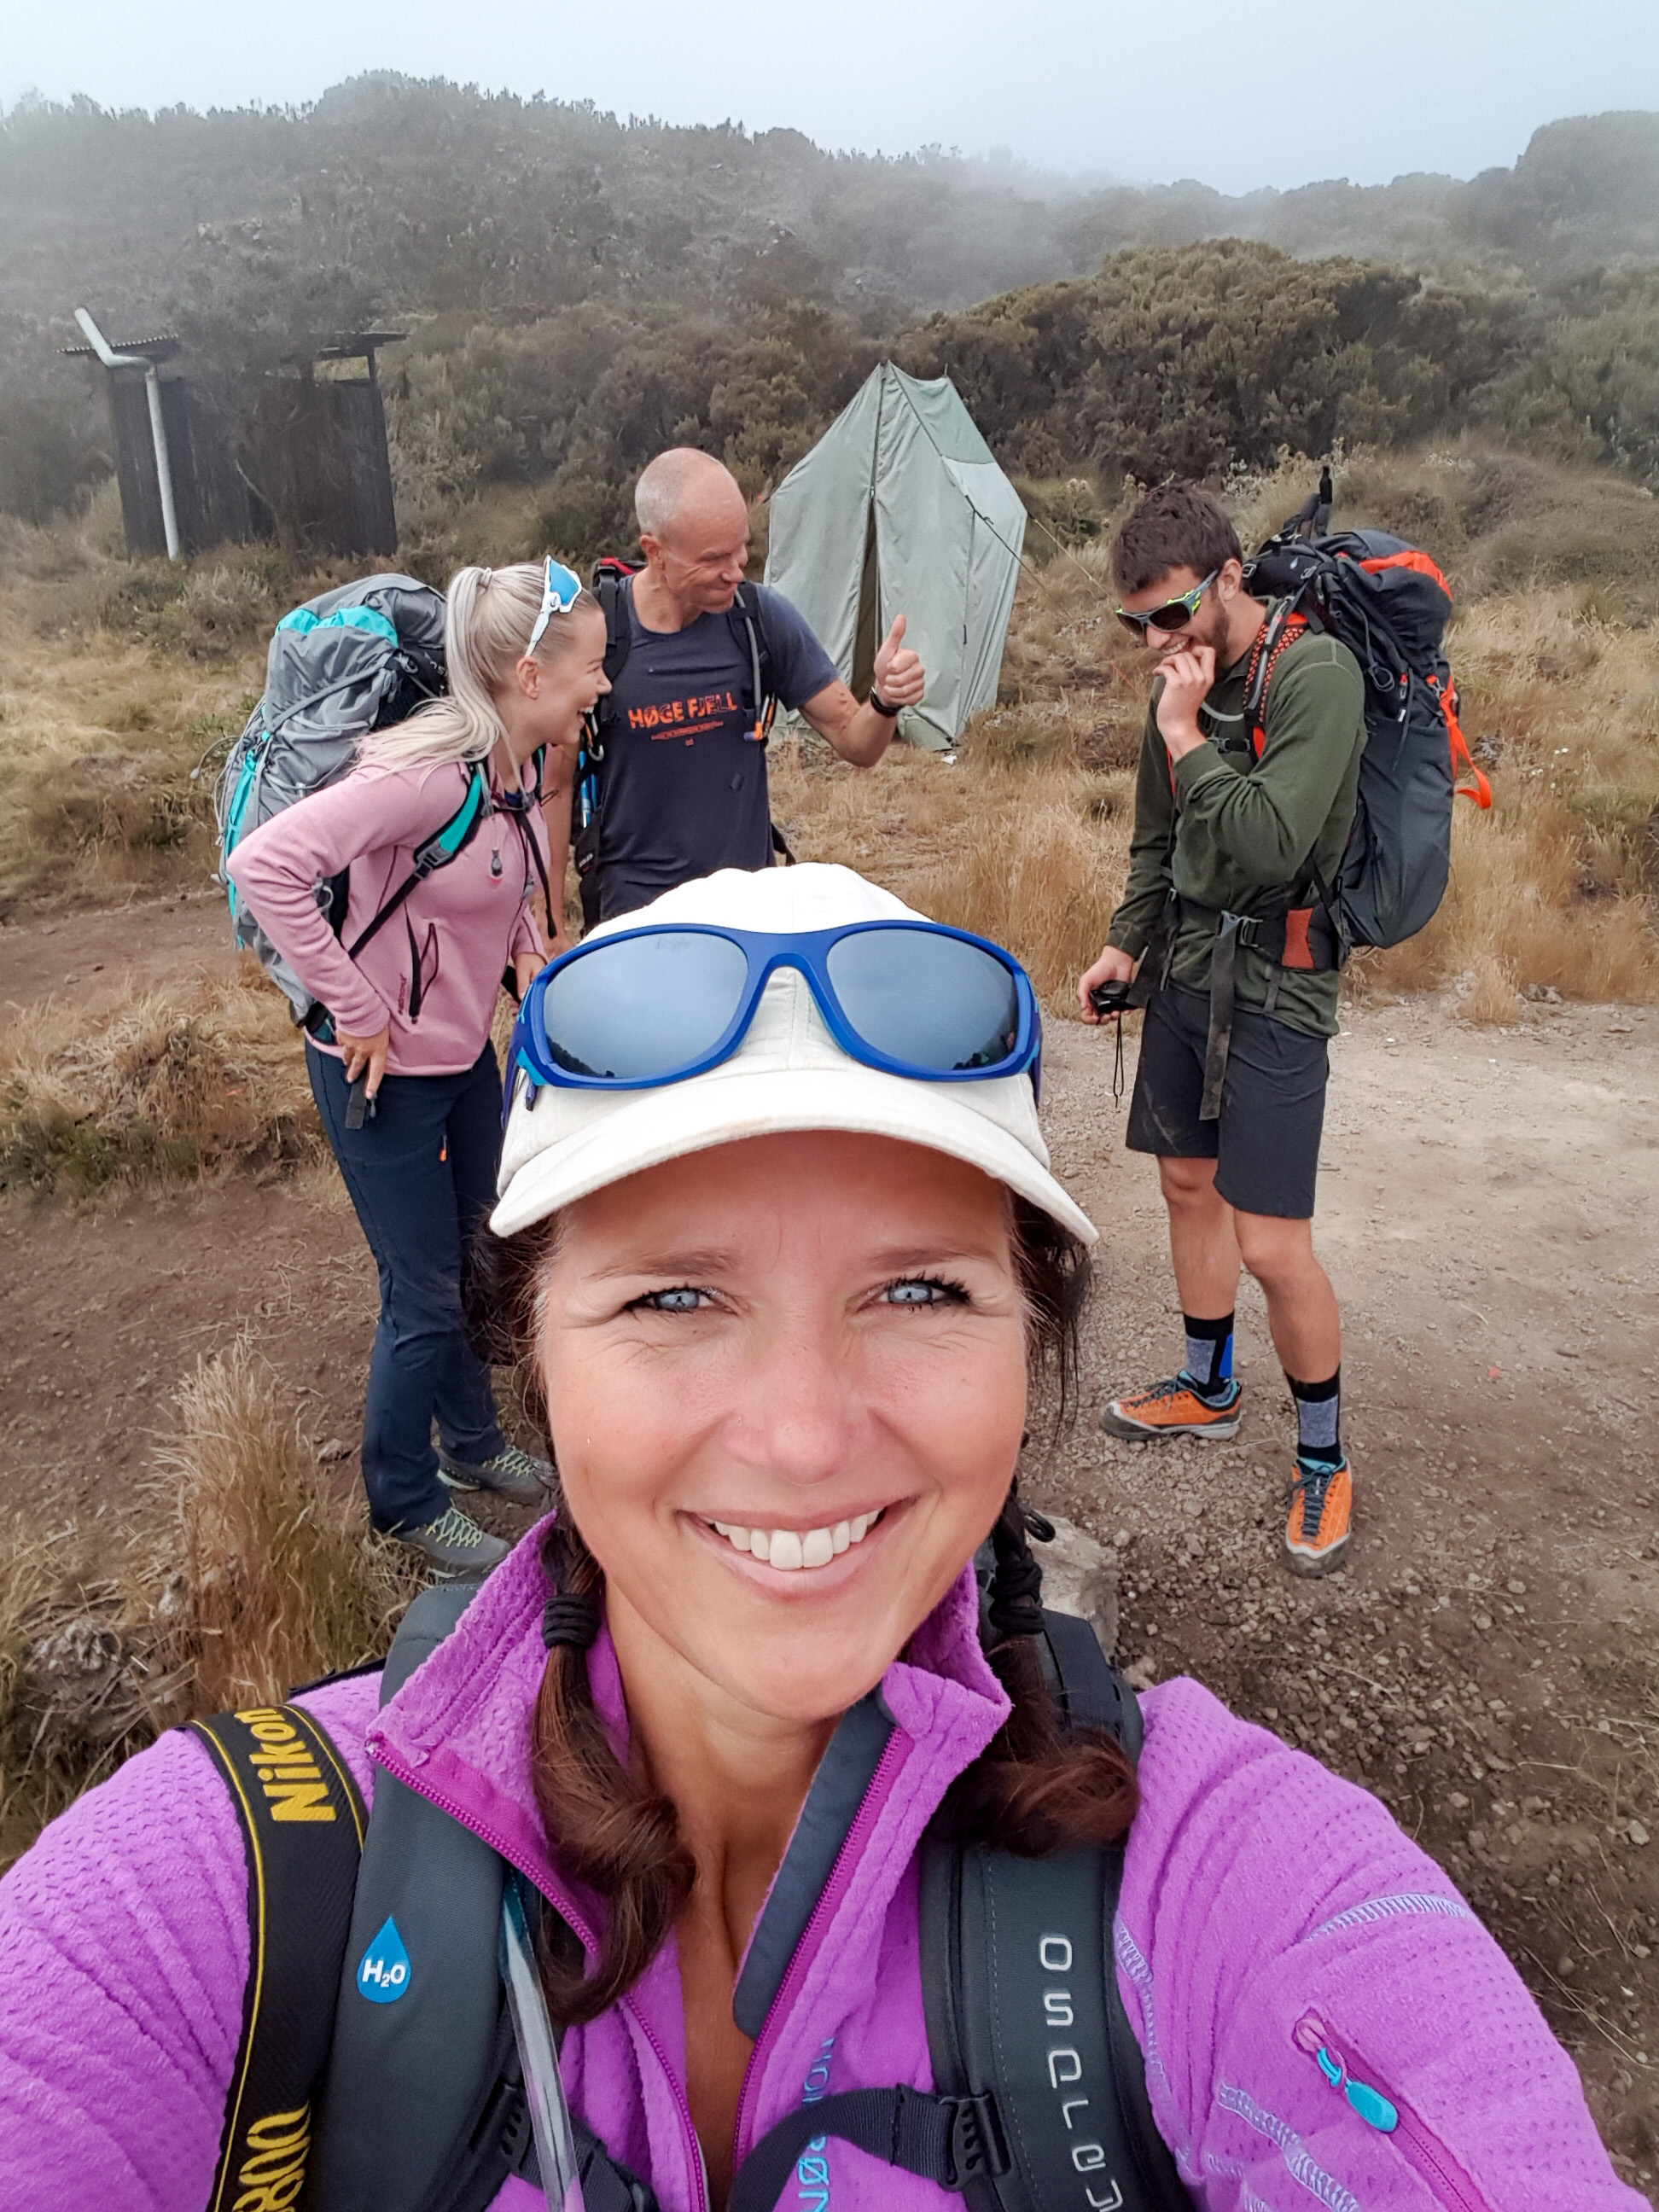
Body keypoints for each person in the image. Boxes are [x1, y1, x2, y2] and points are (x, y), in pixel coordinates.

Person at [0, 861, 1639, 2212]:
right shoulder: (236, 1897)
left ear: (1029, 1347)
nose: (797, 1434)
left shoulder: (1234, 1890)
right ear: (531, 1354)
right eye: (672, 1297)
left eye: (917, 1288)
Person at [229, 558, 608, 1575]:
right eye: (591, 667)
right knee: (423, 1290)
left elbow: (500, 875)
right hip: (378, 1076)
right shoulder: (426, 774)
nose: (604, 684)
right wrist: (355, 1007)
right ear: (530, 677)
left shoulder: (511, 769)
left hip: (459, 1058)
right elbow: (265, 867)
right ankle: (402, 1497)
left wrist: (525, 949)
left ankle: (472, 1443)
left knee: (477, 1259)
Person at [1079, 485, 1365, 1577]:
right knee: (1186, 1185)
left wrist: (1184, 731)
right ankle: (1208, 1387)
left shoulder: (1316, 675)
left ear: (1229, 577)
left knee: (1272, 1244)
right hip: (1190, 967)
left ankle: (1325, 1459)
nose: (1159, 640)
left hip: (1283, 981)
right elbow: (1158, 844)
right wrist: (1125, 946)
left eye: (1172, 612)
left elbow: (1271, 840)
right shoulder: (1181, 684)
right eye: (1138, 623)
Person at [578, 445, 927, 922]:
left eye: (741, 547)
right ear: (655, 552)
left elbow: (856, 742)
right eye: (714, 558)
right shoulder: (598, 633)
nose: (736, 570)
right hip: (637, 918)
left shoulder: (761, 620)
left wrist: (885, 699)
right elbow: (554, 781)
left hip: (748, 912)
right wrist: (549, 921)